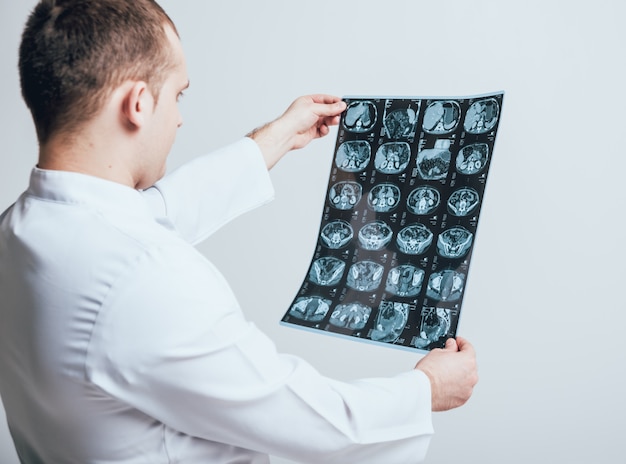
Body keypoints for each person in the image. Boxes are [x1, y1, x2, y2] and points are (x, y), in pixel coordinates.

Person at [0, 1, 478, 463]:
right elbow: (311, 423)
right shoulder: (144, 278)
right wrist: (425, 391)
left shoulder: (21, 230)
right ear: (139, 103)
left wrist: (277, 136)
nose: (181, 116)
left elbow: (152, 217)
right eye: (178, 95)